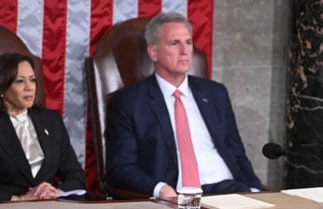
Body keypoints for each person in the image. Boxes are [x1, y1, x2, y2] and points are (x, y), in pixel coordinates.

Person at [104, 12, 263, 198]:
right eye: (174, 43)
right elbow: (119, 168)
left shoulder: (215, 93)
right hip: (175, 195)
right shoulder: (129, 102)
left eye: (188, 42)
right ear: (153, 52)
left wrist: (255, 190)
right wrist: (159, 188)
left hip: (227, 190)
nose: (185, 50)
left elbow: (236, 153)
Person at [0, 52, 85, 202]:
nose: (29, 88)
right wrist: (18, 199)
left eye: (32, 80)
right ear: (2, 88)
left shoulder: (51, 120)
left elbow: (76, 177)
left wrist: (55, 192)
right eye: (20, 81)